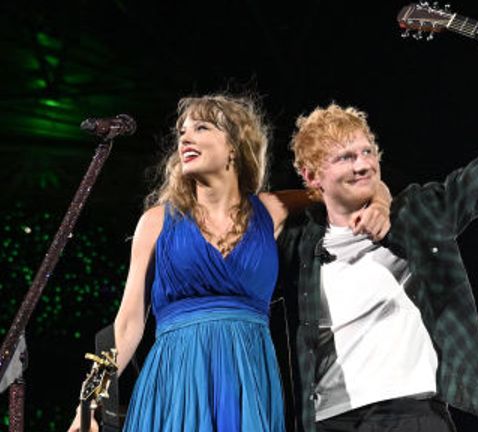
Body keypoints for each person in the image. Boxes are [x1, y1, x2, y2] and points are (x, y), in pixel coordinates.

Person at [276, 32, 478, 432]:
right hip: (329, 419)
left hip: (411, 412)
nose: (363, 165)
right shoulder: (299, 245)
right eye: (345, 157)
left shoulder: (417, 212)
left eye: (367, 152)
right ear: (311, 176)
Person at [67, 94, 390, 431]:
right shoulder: (156, 222)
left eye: (201, 127)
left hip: (246, 379)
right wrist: (87, 403)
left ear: (234, 146)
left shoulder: (271, 210)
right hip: (176, 377)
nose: (186, 138)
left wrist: (381, 203)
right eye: (182, 132)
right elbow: (126, 325)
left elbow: (354, 185)